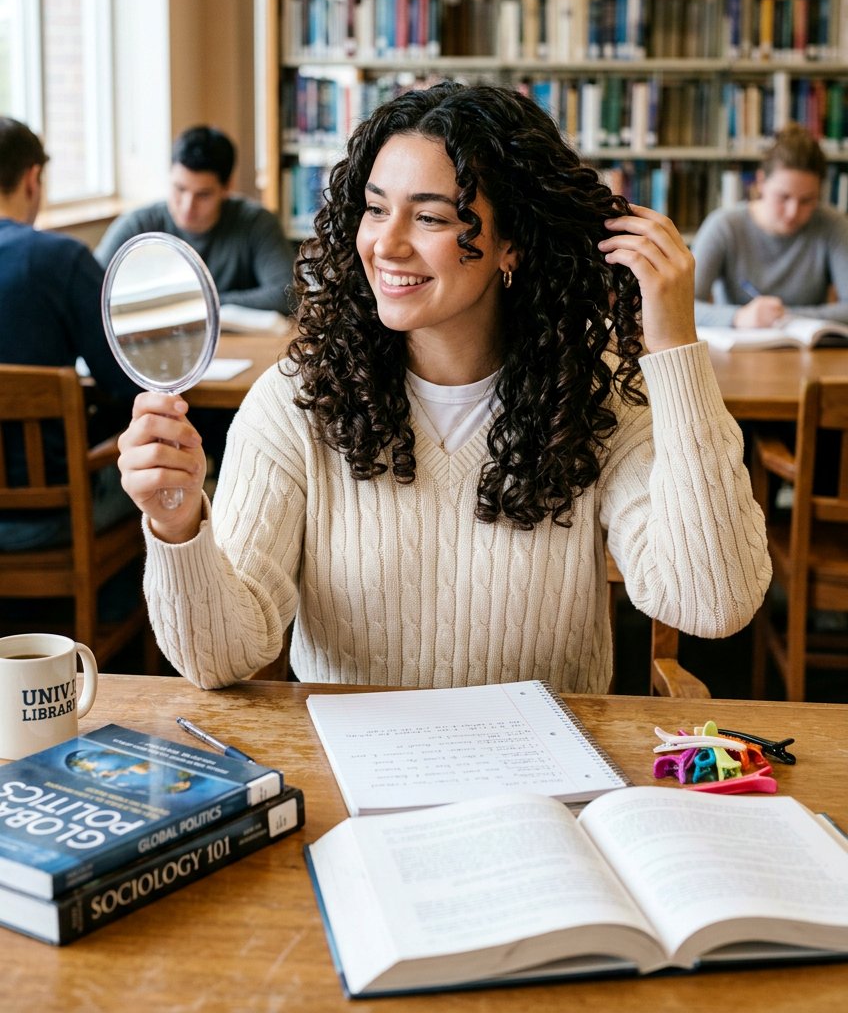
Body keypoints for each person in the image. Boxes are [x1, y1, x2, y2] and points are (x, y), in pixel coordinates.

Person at [116, 82, 770, 693]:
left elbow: (710, 604)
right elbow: (222, 659)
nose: (387, 245)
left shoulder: (595, 396)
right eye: (375, 210)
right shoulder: (294, 402)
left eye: (429, 218)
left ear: (510, 243)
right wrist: (178, 526)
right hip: (355, 779)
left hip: (545, 787)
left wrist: (674, 348)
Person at [0, 117, 138, 552]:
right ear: (32, 178)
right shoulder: (60, 260)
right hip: (52, 514)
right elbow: (127, 382)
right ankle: (130, 615)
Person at [95, 124, 296, 314]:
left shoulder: (257, 223)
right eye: (179, 189)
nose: (187, 206)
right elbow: (91, 290)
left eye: (203, 195)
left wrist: (197, 303)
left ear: (227, 188)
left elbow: (286, 294)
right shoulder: (138, 226)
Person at [692, 123, 848, 328]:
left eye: (807, 200)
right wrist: (738, 317)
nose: (793, 212)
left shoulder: (832, 225)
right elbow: (682, 307)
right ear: (761, 182)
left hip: (809, 353)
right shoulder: (724, 226)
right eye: (783, 197)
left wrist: (785, 316)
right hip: (738, 351)